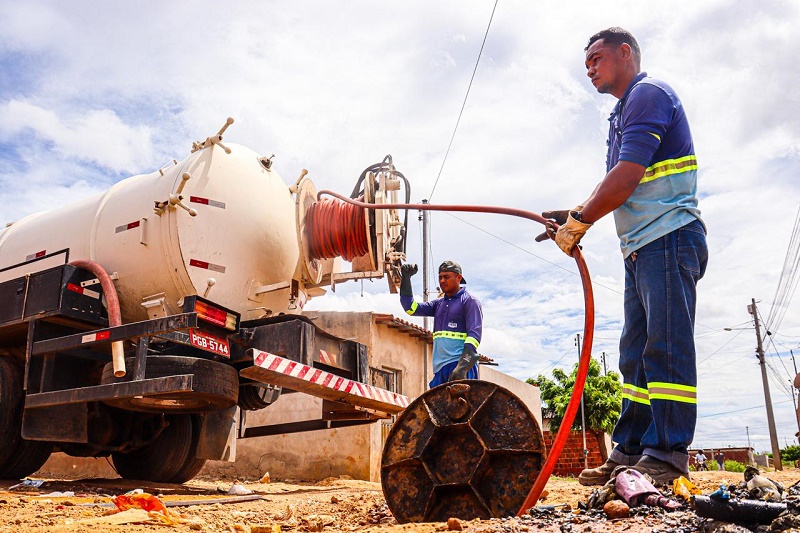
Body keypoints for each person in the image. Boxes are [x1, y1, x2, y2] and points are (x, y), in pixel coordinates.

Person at [537, 27, 708, 486]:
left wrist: (581, 222)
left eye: (596, 57)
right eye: (586, 62)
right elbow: (614, 181)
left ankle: (669, 453)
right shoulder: (622, 114)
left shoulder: (648, 94)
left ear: (625, 53)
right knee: (634, 354)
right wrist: (575, 212)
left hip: (670, 236)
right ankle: (631, 449)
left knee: (665, 347)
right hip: (642, 247)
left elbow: (628, 177)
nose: (589, 67)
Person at [399, 260, 483, 387]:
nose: (442, 281)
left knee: (463, 406)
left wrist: (462, 367)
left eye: (446, 277)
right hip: (440, 370)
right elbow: (410, 308)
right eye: (440, 277)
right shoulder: (438, 304)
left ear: (459, 277)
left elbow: (474, 337)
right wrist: (406, 278)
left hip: (460, 366)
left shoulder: (470, 301)